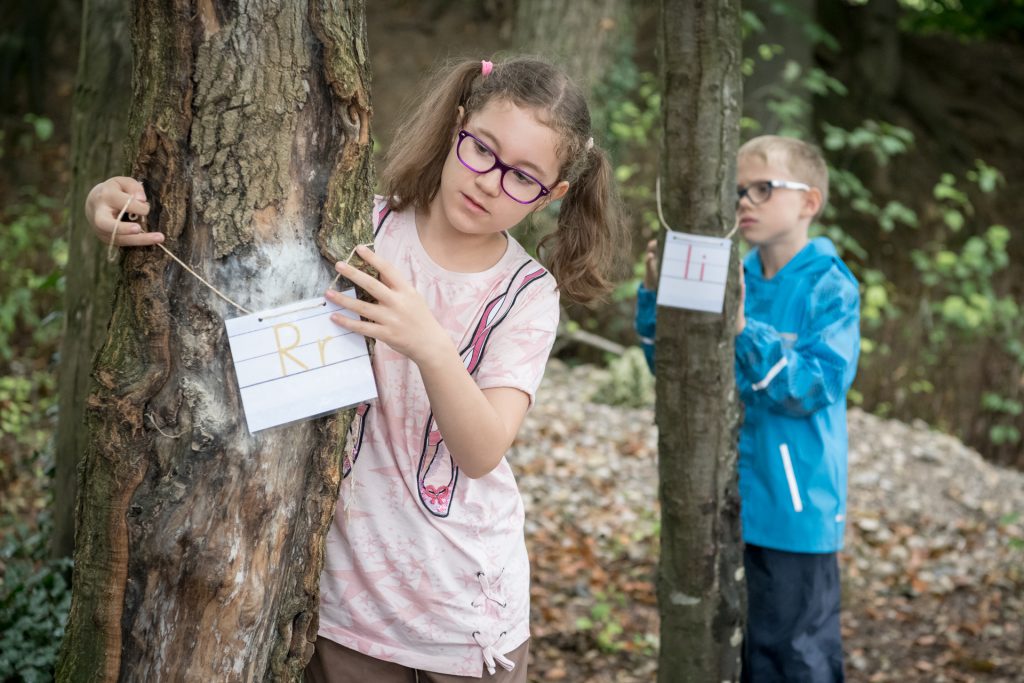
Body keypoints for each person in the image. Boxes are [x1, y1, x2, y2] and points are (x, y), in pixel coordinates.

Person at [85, 57, 625, 682]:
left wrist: (429, 342)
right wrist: (121, 201)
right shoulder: (358, 229)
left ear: (553, 195)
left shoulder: (526, 294)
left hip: (465, 613)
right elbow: (226, 260)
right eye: (482, 149)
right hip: (345, 609)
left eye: (523, 177)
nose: (489, 182)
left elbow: (481, 451)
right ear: (457, 127)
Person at [635, 135, 860, 682]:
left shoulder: (831, 286)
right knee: (737, 647)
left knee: (795, 654)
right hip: (725, 503)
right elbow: (679, 377)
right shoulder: (734, 274)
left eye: (763, 188)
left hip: (795, 510)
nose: (745, 202)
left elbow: (814, 384)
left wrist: (742, 329)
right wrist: (653, 301)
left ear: (809, 201)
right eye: (738, 190)